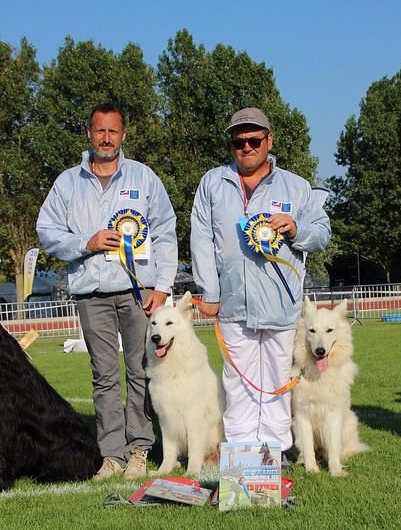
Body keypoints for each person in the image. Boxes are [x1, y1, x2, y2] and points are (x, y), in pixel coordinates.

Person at [37, 103, 177, 481]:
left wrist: (162, 286)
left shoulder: (144, 178)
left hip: (136, 293)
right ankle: (111, 454)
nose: (106, 138)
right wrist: (87, 241)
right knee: (103, 376)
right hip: (90, 293)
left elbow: (165, 229)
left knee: (140, 371)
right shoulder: (67, 183)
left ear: (123, 135)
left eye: (113, 132)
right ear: (88, 134)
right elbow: (46, 231)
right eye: (100, 131)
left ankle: (139, 450)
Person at [191, 107, 331, 461]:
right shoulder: (212, 183)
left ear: (269, 141)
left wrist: (297, 229)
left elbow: (322, 234)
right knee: (237, 384)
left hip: (280, 305)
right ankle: (240, 453)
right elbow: (201, 240)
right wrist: (210, 293)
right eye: (239, 141)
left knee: (275, 382)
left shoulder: (296, 187)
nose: (247, 147)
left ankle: (276, 451)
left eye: (255, 140)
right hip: (233, 305)